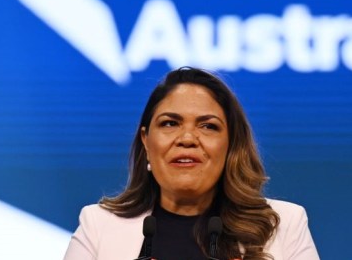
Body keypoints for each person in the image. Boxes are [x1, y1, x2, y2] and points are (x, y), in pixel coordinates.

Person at [63, 67, 320, 260]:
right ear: (146, 141)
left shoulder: (284, 224)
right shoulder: (98, 225)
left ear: (230, 145)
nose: (187, 138)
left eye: (208, 126)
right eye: (170, 123)